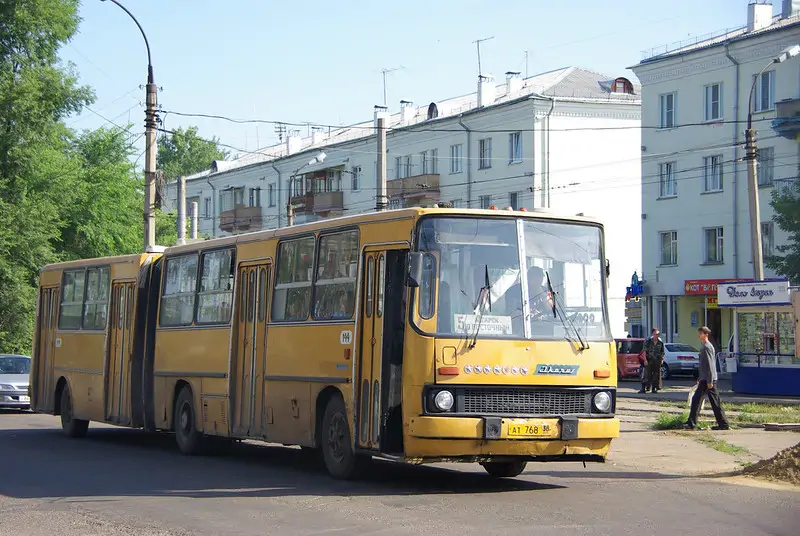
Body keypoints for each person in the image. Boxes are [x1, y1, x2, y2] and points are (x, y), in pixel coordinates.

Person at [683, 326, 730, 430]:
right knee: (706, 401)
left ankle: (692, 424)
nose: (698, 335)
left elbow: (710, 365)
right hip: (706, 378)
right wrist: (700, 377)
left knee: (701, 400)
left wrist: (709, 380)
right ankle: (722, 424)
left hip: (708, 379)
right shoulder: (705, 346)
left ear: (706, 335)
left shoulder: (706, 347)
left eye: (700, 333)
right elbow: (704, 365)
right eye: (698, 333)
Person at [640, 328, 664, 394]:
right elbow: (644, 351)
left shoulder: (660, 342)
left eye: (658, 334)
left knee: (656, 375)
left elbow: (662, 352)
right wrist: (645, 360)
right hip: (649, 360)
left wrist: (662, 359)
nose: (657, 335)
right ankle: (643, 388)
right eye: (655, 334)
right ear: (653, 334)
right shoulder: (648, 341)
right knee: (646, 375)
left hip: (657, 361)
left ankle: (654, 388)